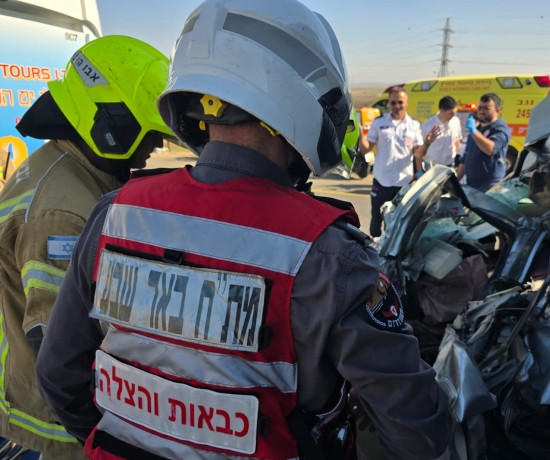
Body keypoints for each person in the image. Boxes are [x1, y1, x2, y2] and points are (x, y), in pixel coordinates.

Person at [35, 1, 451, 459]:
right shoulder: (329, 252)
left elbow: (59, 376)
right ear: (296, 96)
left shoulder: (115, 213)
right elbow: (417, 429)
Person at [0, 36, 171, 459]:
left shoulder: (64, 165)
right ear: (113, 124)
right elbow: (58, 347)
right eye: (149, 133)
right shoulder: (63, 211)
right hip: (48, 432)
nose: (155, 148)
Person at [359, 87, 435, 237]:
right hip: (381, 181)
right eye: (393, 103)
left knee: (400, 221)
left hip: (403, 183)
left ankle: (393, 253)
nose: (396, 106)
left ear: (406, 103)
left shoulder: (413, 125)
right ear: (389, 103)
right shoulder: (378, 123)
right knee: (376, 220)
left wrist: (427, 143)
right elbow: (367, 149)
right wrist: (360, 135)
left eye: (400, 102)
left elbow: (418, 154)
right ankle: (375, 252)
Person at [456, 92, 512, 192]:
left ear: (497, 110)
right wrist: (456, 182)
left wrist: (474, 131)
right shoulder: (478, 129)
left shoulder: (500, 128)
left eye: (486, 108)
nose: (481, 111)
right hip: (471, 184)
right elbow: (465, 159)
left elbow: (490, 149)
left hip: (490, 186)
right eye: (480, 108)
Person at [415, 96, 462, 173]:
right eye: (451, 113)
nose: (454, 115)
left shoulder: (456, 121)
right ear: (442, 111)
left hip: (450, 166)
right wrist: (419, 172)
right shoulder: (427, 125)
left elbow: (458, 141)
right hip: (432, 166)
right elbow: (418, 152)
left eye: (455, 113)